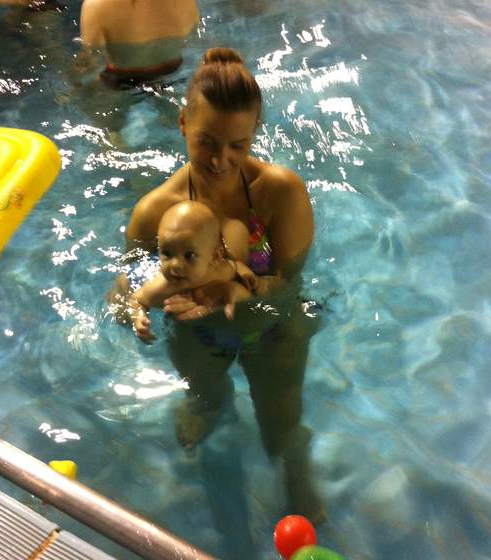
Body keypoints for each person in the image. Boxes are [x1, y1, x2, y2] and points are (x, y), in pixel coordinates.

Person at [115, 47, 324, 522]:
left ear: (255, 135)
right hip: (196, 334)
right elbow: (124, 285)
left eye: (238, 146)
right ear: (182, 122)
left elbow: (288, 286)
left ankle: (295, 466)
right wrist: (133, 309)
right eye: (207, 141)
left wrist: (235, 291)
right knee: (206, 393)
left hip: (272, 329)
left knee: (280, 422)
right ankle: (208, 405)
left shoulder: (281, 193)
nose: (220, 160)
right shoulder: (155, 212)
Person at [129, 200, 258, 342]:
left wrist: (244, 273)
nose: (175, 265)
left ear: (215, 257)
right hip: (144, 272)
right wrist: (138, 317)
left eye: (189, 255)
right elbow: (136, 299)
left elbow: (235, 265)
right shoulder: (160, 289)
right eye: (166, 253)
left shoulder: (220, 271)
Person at [79, 0, 199, 87]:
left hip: (120, 81)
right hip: (173, 72)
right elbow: (192, 37)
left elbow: (90, 63)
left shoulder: (96, 5)